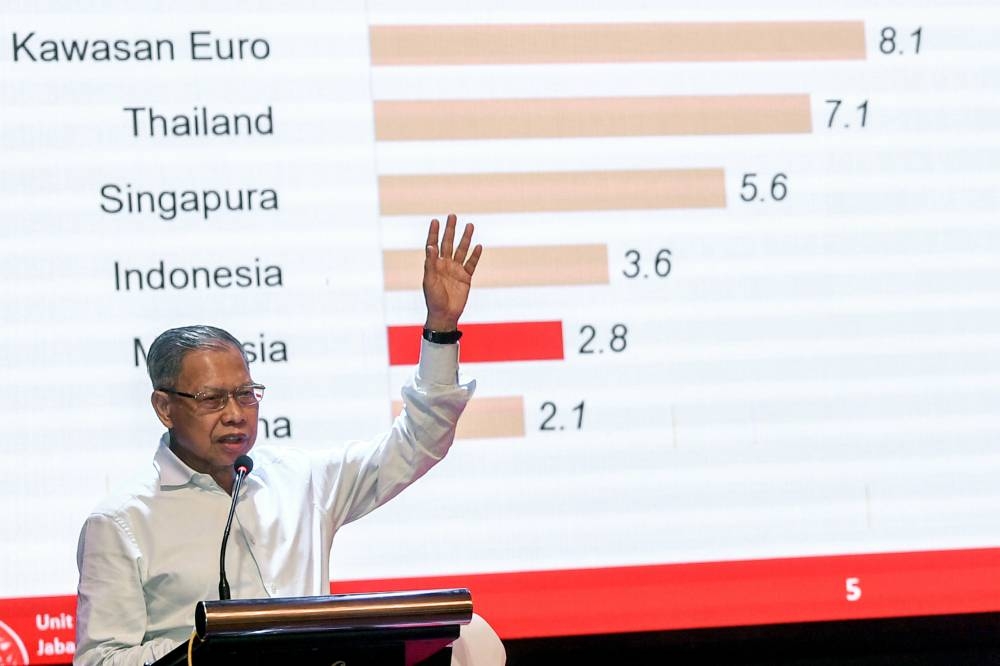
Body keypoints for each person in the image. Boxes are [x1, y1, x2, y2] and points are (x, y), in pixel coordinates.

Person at [73, 215, 504, 666]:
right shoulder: (121, 522)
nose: (236, 413)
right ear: (164, 407)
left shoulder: (300, 481)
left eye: (245, 394)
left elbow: (419, 441)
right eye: (212, 399)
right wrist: (204, 648)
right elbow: (100, 660)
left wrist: (440, 328)